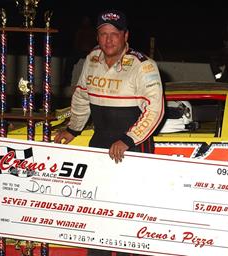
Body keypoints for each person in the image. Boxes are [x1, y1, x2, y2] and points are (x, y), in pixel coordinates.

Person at [54, 9, 164, 165]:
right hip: (99, 146)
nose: (108, 40)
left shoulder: (143, 66)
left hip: (133, 149)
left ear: (125, 36)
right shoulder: (92, 58)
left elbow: (155, 109)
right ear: (97, 37)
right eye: (104, 34)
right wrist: (73, 129)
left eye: (114, 34)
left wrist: (128, 140)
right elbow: (81, 97)